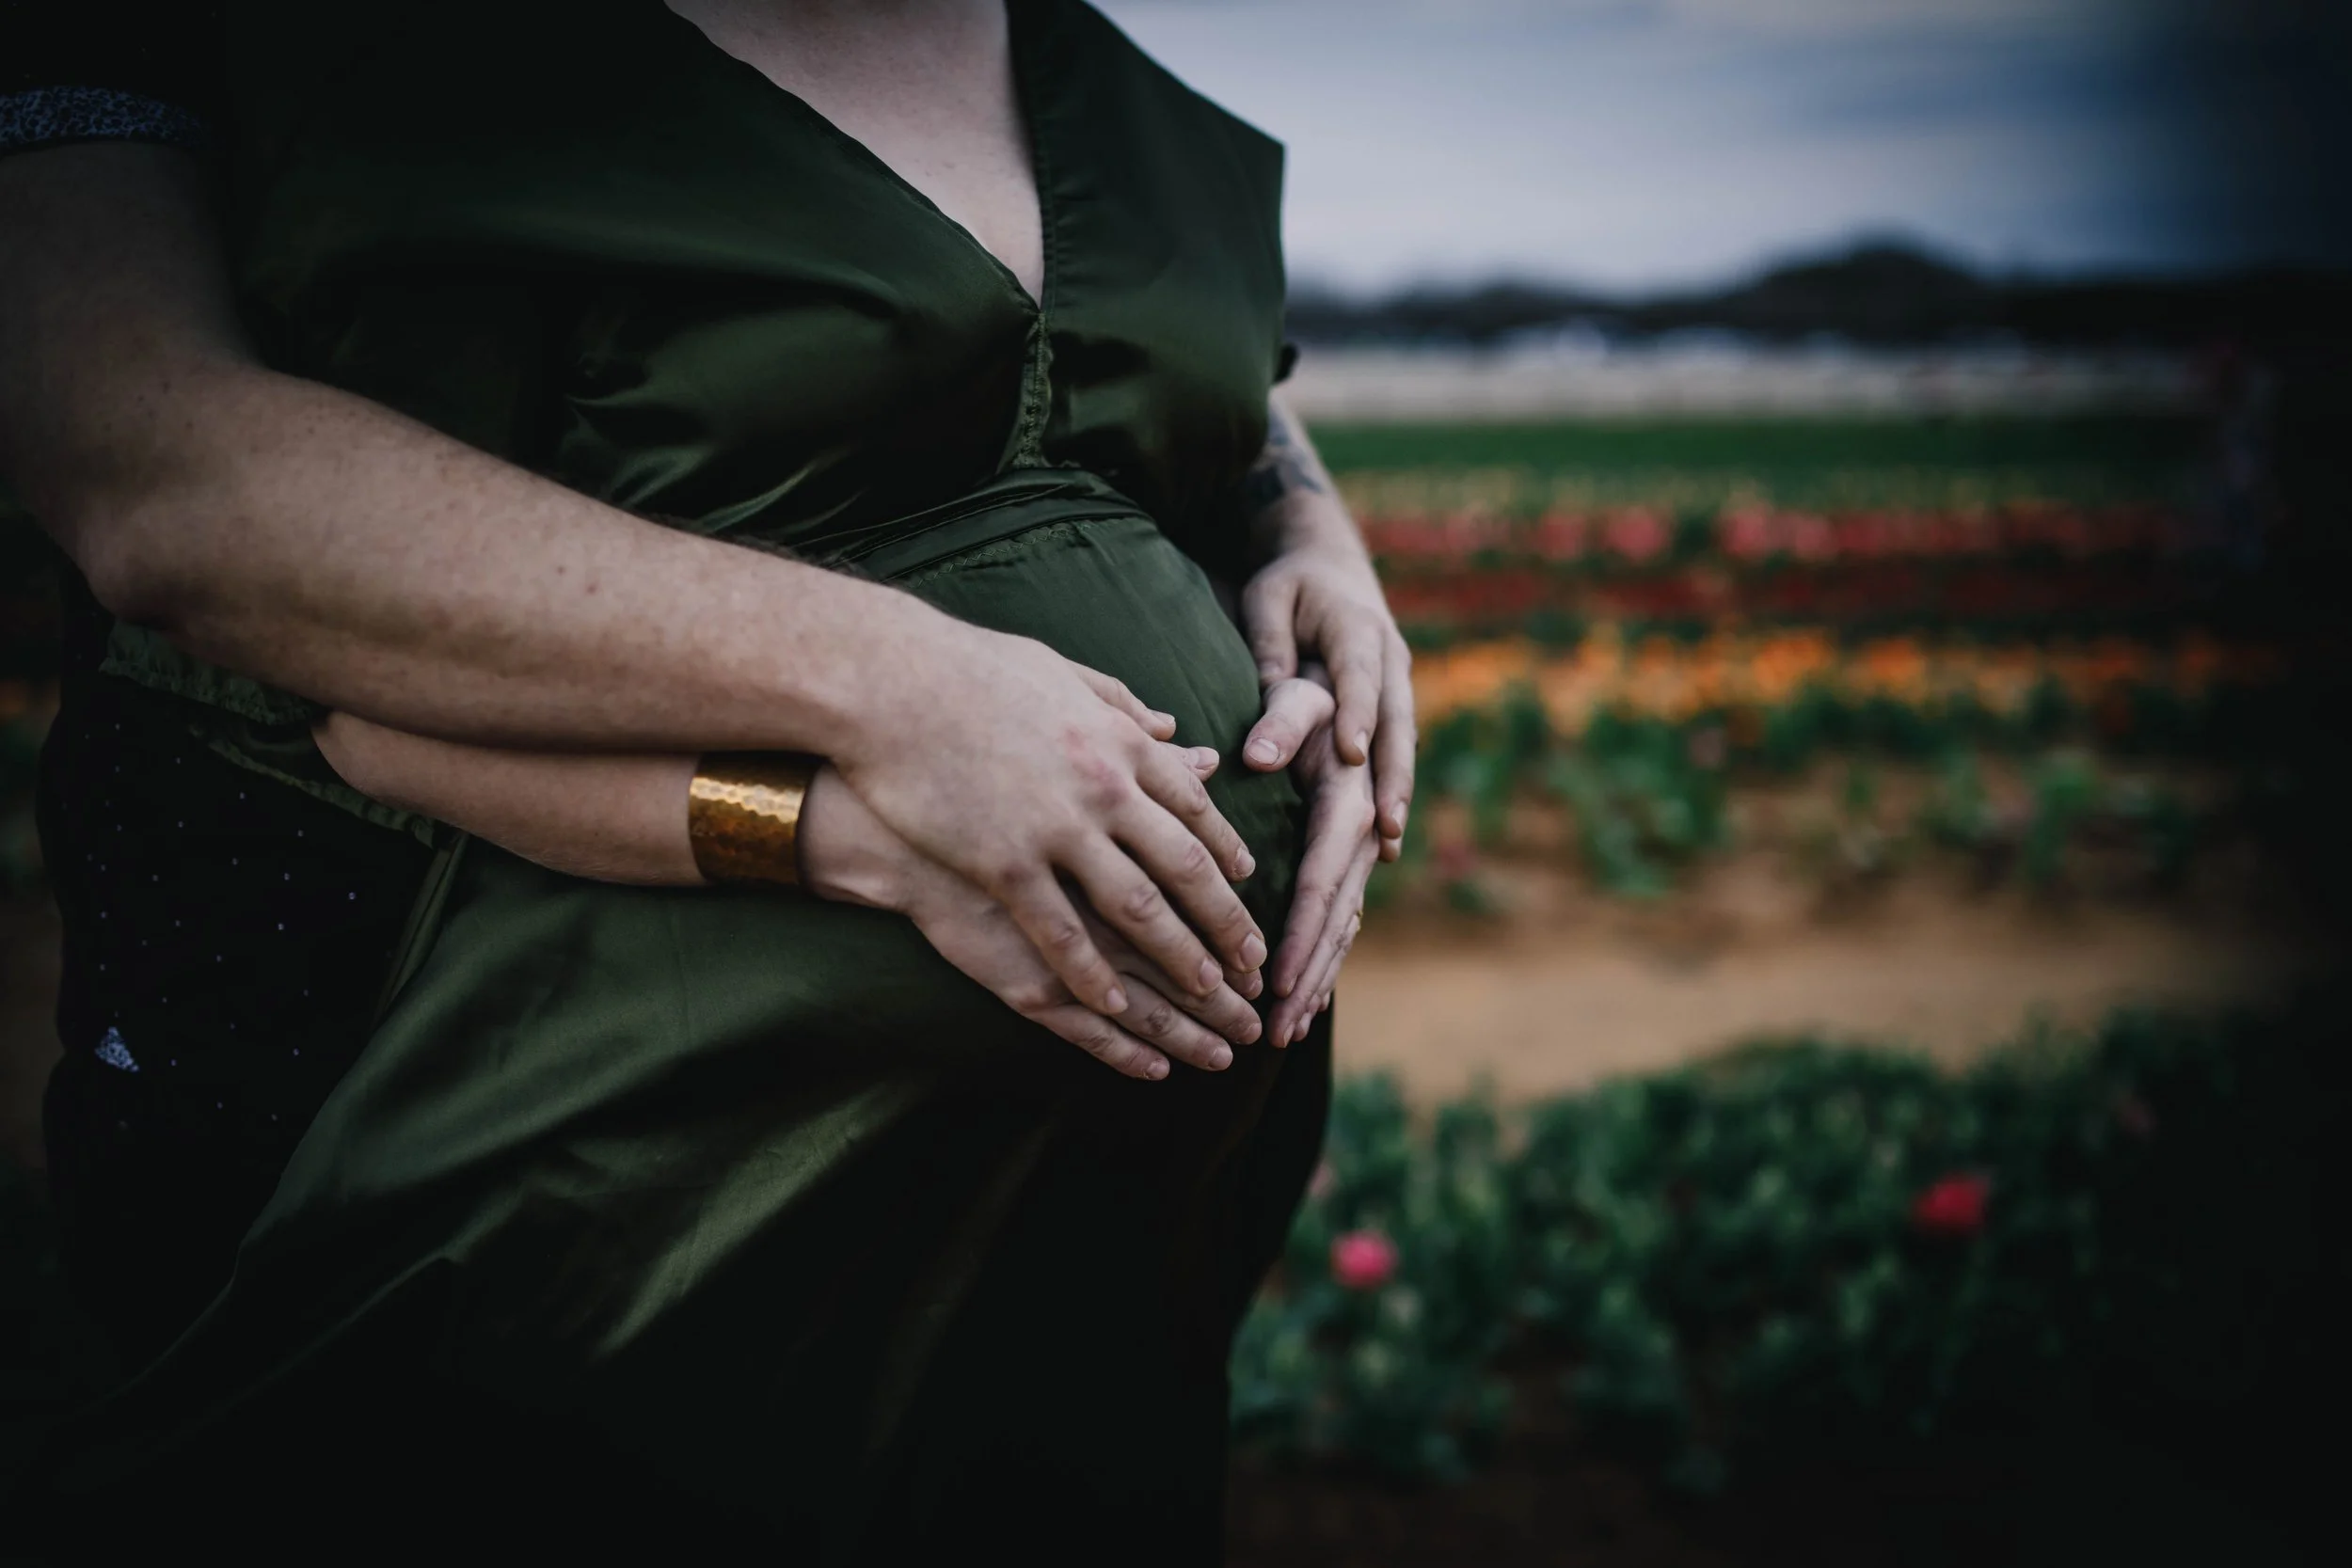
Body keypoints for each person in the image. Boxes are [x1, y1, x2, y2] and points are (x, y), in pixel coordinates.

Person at [0, 0, 1414, 1556]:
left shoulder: (1086, 66)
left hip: (1088, 1269)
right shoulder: (417, 88)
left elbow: (1187, 364)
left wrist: (1307, 530)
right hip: (641, 1233)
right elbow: (309, 657)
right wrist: (877, 730)